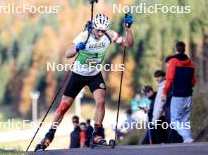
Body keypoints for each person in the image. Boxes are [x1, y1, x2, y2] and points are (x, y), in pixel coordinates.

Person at [35, 13, 134, 151]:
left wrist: (128, 28)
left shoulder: (109, 35)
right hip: (78, 75)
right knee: (63, 107)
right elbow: (68, 53)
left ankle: (97, 134)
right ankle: (49, 134)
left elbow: (128, 44)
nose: (100, 33)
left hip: (94, 75)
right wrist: (77, 48)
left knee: (100, 101)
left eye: (103, 30)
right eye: (98, 30)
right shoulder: (84, 36)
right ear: (93, 27)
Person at [162, 41, 196, 143]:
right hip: (188, 95)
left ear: (176, 50)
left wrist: (164, 92)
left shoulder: (173, 61)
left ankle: (187, 137)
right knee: (185, 119)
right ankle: (187, 138)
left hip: (177, 95)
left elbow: (169, 78)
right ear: (184, 49)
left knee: (175, 120)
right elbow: (193, 81)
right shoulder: (190, 63)